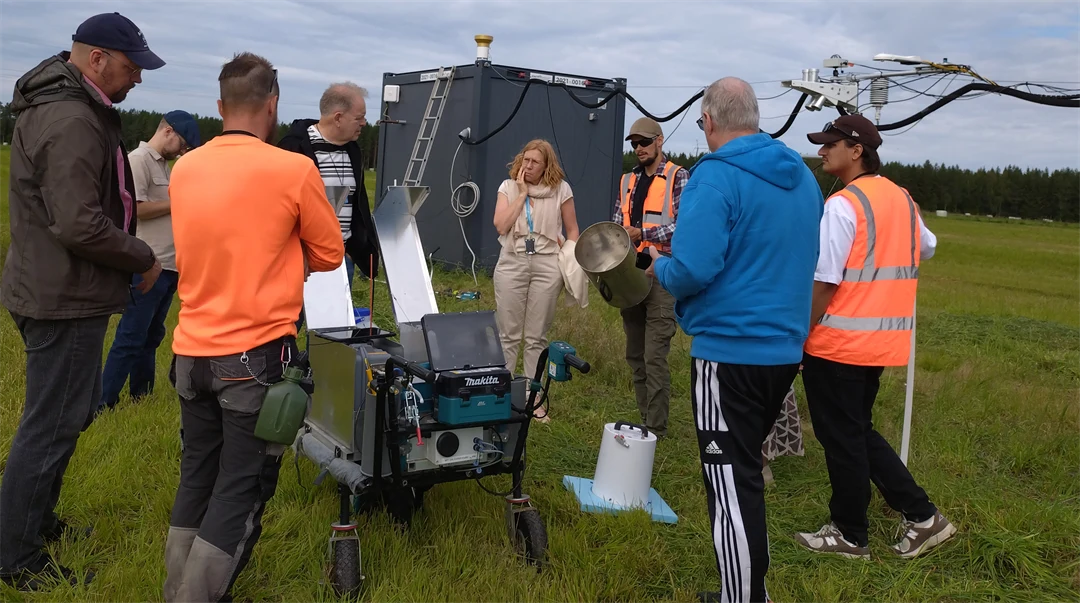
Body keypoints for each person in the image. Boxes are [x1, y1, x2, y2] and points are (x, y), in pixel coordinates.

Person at [162, 52, 344, 603]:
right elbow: (331, 253)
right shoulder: (293, 169)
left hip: (190, 354)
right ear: (273, 106)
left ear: (220, 107)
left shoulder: (185, 167)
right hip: (253, 360)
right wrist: (284, 256)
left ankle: (176, 589)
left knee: (197, 476)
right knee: (239, 488)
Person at [0, 12, 165, 591]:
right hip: (61, 294)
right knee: (51, 426)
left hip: (58, 286)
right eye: (131, 66)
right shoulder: (71, 118)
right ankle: (18, 557)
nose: (137, 79)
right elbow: (78, 223)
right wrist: (142, 258)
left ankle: (34, 523)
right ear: (96, 58)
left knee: (59, 420)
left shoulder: (70, 107)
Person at [649, 77, 823, 603]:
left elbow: (694, 267)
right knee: (744, 471)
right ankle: (747, 591)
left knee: (728, 485)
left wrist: (660, 268)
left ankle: (742, 598)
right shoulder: (803, 178)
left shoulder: (715, 176)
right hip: (784, 353)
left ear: (707, 121)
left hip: (727, 354)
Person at [794, 114, 956, 560]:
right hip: (878, 344)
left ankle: (850, 534)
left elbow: (824, 281)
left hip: (837, 344)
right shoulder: (901, 198)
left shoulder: (844, 204)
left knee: (842, 438)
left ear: (856, 150)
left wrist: (799, 335)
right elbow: (927, 246)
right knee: (857, 431)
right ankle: (922, 517)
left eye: (830, 144)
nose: (822, 151)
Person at [98, 110, 201, 413]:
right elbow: (136, 209)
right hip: (147, 265)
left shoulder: (167, 168)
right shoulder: (138, 160)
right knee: (131, 336)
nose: (182, 150)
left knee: (152, 337)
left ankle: (140, 395)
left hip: (170, 266)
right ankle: (104, 402)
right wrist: (180, 200)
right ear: (167, 130)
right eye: (182, 143)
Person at [492, 139, 580, 420]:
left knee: (536, 336)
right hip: (513, 260)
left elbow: (573, 229)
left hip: (546, 264)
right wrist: (521, 194)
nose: (528, 166)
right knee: (508, 333)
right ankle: (502, 396)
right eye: (525, 160)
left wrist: (568, 258)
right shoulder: (507, 187)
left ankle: (533, 399)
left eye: (535, 162)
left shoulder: (561, 190)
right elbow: (501, 225)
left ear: (546, 166)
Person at [613, 117, 689, 439]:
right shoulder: (627, 180)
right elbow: (617, 225)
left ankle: (656, 429)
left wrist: (642, 232)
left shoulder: (678, 176)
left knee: (654, 356)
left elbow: (684, 224)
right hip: (630, 272)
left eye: (644, 142)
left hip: (661, 273)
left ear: (660, 141)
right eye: (634, 144)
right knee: (635, 354)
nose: (639, 148)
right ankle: (645, 418)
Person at [278, 81, 379, 288]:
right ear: (338, 118)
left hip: (342, 260)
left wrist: (351, 250)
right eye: (359, 118)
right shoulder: (293, 148)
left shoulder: (353, 150)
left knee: (338, 321)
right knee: (293, 320)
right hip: (301, 263)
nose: (364, 123)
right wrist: (299, 253)